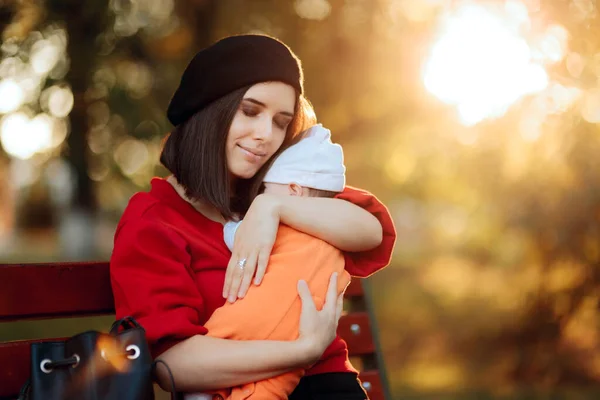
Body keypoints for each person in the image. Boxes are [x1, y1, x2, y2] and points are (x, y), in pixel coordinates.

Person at [109, 34, 396, 400]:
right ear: (209, 109)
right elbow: (172, 364)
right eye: (249, 111)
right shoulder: (155, 220)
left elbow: (371, 231)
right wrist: (302, 351)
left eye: (280, 122)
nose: (266, 135)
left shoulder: (277, 188)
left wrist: (272, 208)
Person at [181, 124, 352, 400]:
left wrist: (248, 216)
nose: (260, 198)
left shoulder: (278, 224)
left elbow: (237, 238)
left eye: (266, 189)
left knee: (227, 331)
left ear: (295, 190)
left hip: (259, 335)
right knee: (272, 387)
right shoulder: (332, 231)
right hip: (296, 351)